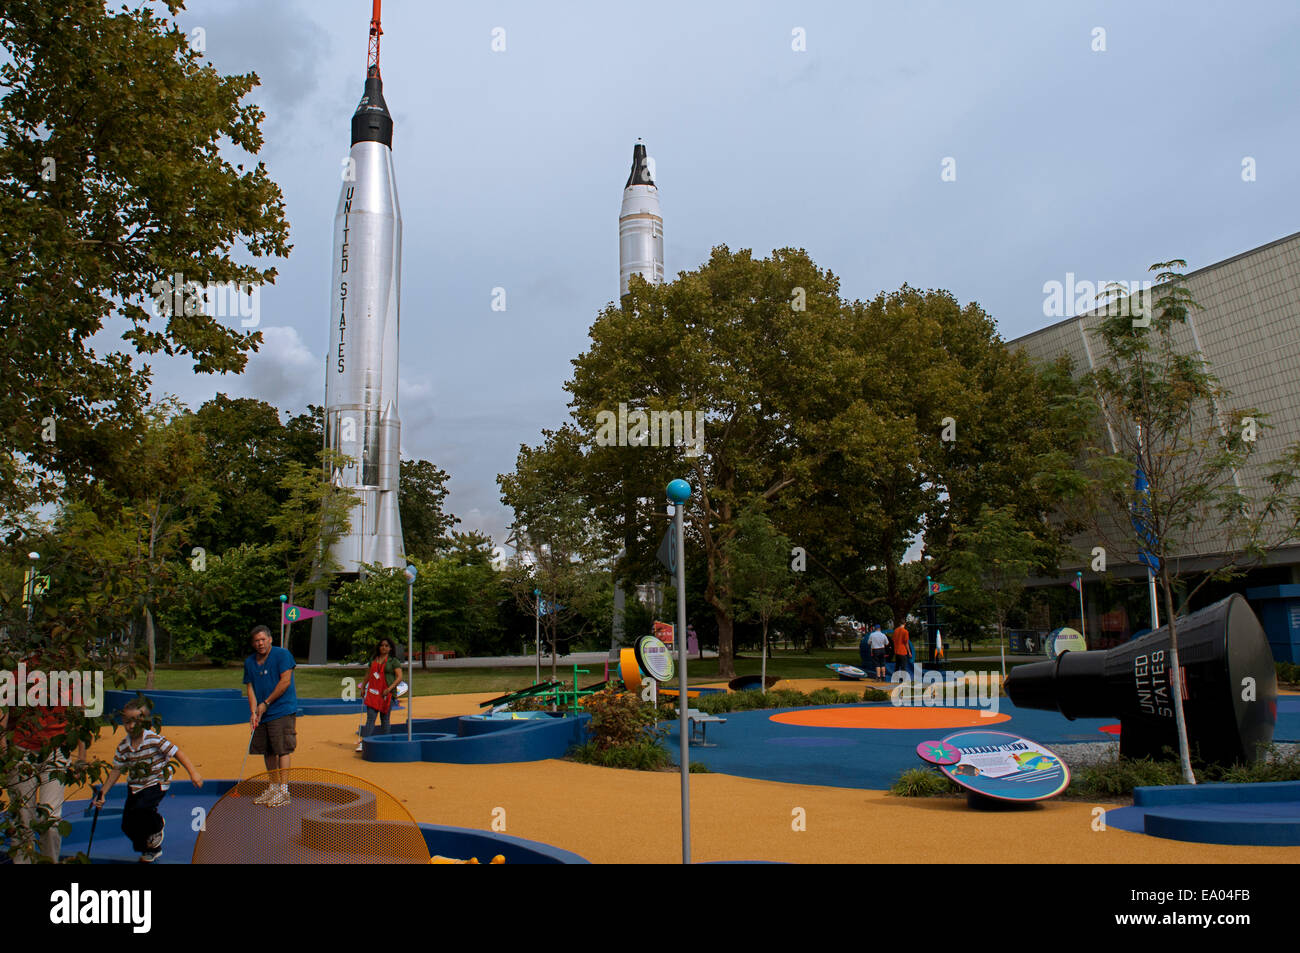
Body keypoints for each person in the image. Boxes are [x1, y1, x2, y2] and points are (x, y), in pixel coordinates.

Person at [93, 698, 202, 863]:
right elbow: (116, 770)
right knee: (127, 825)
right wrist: (103, 792)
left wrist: (193, 773)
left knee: (142, 809)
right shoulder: (123, 746)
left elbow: (176, 752)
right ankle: (151, 850)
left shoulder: (153, 739)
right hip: (135, 786)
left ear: (144, 722)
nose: (131, 726)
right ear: (122, 721)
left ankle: (157, 824)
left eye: (135, 722)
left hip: (156, 781)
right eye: (127, 722)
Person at [1, 693, 85, 863]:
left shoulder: (70, 672)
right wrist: (4, 754)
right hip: (22, 750)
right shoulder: (19, 670)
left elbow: (79, 716)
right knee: (22, 820)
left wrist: (81, 757)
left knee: (51, 822)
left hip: (57, 752)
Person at [244, 624, 297, 807]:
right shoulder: (249, 662)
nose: (260, 643)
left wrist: (266, 703)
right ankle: (273, 787)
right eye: (256, 641)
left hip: (281, 709)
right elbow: (250, 686)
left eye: (263, 639)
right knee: (267, 751)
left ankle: (284, 790)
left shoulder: (282, 655)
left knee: (282, 748)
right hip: (262, 712)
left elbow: (285, 681)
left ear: (270, 639)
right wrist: (253, 711)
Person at [356, 637, 401, 752]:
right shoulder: (374, 659)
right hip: (373, 692)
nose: (384, 647)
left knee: (385, 719)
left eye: (386, 646)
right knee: (370, 718)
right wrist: (363, 687)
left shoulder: (393, 661)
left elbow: (399, 677)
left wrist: (390, 689)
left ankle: (385, 742)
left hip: (387, 693)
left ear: (390, 648)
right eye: (382, 645)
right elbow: (368, 674)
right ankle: (365, 742)